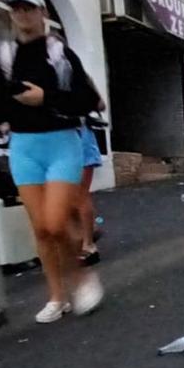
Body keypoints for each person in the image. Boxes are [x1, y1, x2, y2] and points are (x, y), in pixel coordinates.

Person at [0, 0, 102, 324]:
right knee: (41, 231)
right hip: (23, 147)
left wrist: (45, 97)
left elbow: (88, 100)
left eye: (29, 8)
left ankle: (81, 278)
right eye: (16, 9)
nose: (22, 15)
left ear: (43, 13)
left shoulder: (60, 54)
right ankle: (57, 297)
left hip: (62, 144)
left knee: (55, 222)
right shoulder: (5, 57)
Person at [75, 100, 105, 266]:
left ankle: (88, 244)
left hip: (79, 138)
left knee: (79, 194)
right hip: (54, 142)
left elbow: (99, 104)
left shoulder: (76, 78)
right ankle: (87, 232)